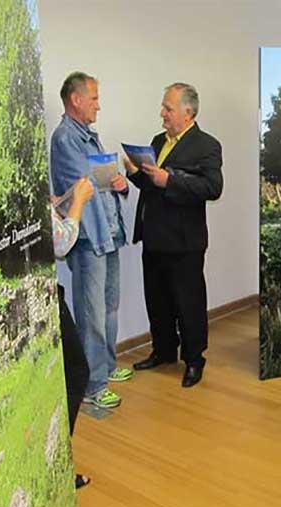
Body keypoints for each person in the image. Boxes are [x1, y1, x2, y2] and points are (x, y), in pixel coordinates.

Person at [124, 83, 223, 388]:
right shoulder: (157, 141)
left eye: (168, 108)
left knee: (188, 303)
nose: (162, 113)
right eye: (164, 107)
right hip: (154, 236)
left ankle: (194, 360)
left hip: (184, 241)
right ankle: (164, 351)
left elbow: (212, 188)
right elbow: (153, 184)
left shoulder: (206, 145)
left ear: (187, 112)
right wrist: (135, 173)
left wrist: (170, 181)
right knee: (157, 300)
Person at [50, 71, 133, 410]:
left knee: (110, 307)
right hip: (89, 239)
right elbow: (82, 185)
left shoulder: (89, 136)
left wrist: (117, 181)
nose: (98, 105)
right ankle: (92, 386)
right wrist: (103, 176)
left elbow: (97, 179)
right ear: (76, 99)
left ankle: (107, 367)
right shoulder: (64, 138)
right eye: (94, 98)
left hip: (109, 235)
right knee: (92, 315)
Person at [51, 177, 95, 489]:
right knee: (76, 373)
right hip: (41, 296)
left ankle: (53, 464)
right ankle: (55, 467)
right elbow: (61, 243)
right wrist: (77, 202)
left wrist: (54, 206)